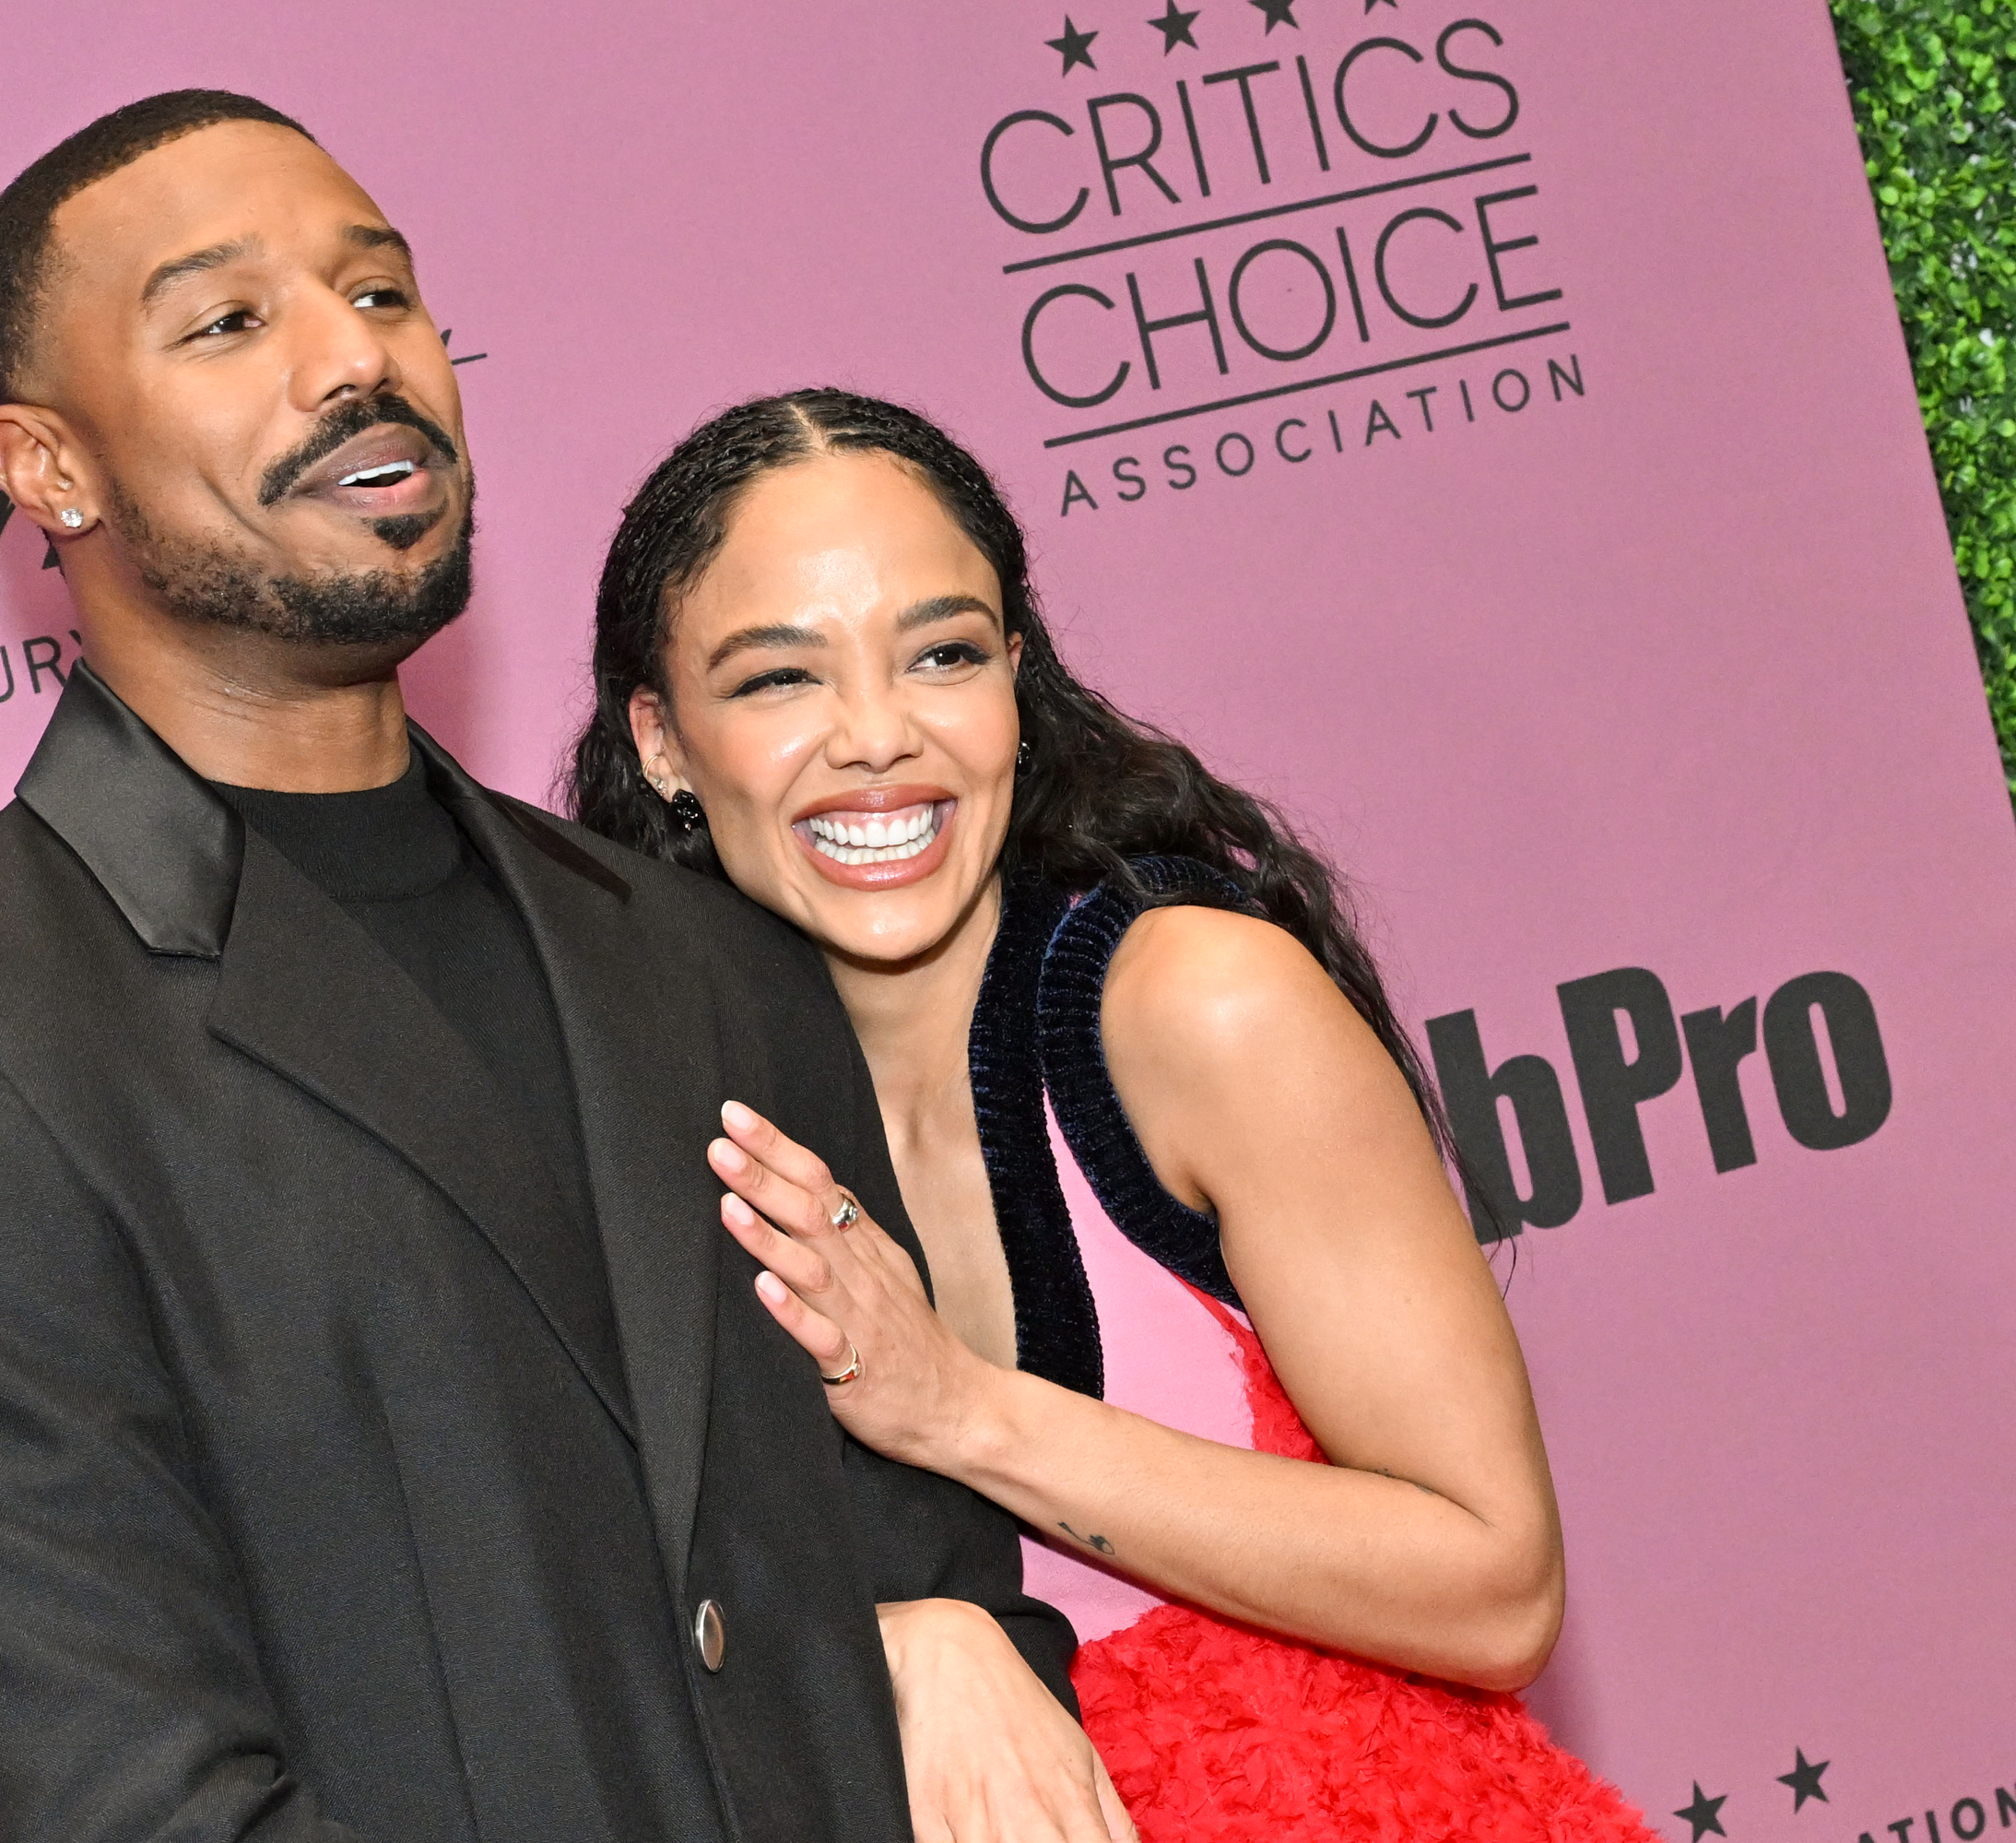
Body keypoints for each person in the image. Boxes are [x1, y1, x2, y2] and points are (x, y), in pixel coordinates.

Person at [0, 96, 1132, 1843]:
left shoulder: (705, 959)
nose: (353, 360)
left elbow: (923, 1573)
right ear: (46, 467)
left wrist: (941, 1640)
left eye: (380, 294)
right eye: (231, 322)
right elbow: (108, 1800)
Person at [565, 388, 1662, 1839]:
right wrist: (896, 1645)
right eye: (781, 680)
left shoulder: (1192, 1002)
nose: (879, 737)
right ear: (660, 737)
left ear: (1018, 675)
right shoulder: (633, 1100)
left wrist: (961, 1410)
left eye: (943, 654)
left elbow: (1495, 1584)